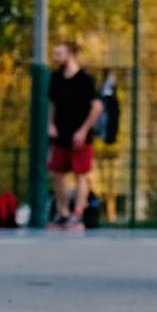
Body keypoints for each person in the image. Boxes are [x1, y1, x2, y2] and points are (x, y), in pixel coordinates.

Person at [47, 41, 103, 230]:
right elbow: (52, 103)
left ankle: (78, 215)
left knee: (81, 175)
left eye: (59, 54)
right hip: (61, 133)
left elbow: (97, 106)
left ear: (70, 54)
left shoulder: (85, 79)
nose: (55, 57)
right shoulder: (55, 78)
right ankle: (63, 213)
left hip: (80, 136)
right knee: (56, 172)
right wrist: (51, 124)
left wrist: (84, 130)